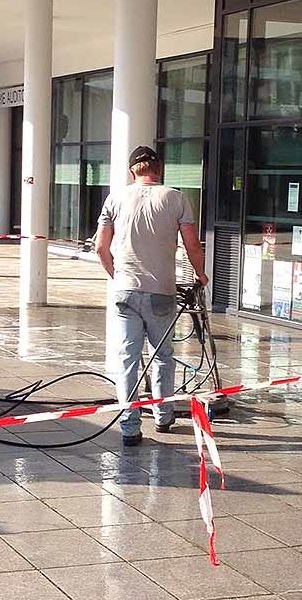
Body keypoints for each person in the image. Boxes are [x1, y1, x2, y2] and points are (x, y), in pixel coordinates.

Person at [95, 146, 208, 446]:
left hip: (125, 291)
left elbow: (100, 248)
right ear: (159, 169)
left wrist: (116, 275)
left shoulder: (115, 198)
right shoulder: (175, 197)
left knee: (128, 359)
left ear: (133, 171)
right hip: (161, 291)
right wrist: (200, 274)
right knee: (163, 356)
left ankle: (130, 429)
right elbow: (192, 245)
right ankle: (163, 416)